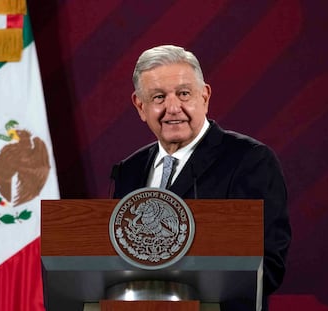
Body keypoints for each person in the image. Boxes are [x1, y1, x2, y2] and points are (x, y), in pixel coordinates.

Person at [111, 45, 291, 310]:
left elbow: (269, 266)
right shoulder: (130, 169)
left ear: (204, 96)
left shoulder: (249, 160)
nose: (173, 108)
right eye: (158, 97)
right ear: (140, 106)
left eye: (184, 94)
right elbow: (113, 257)